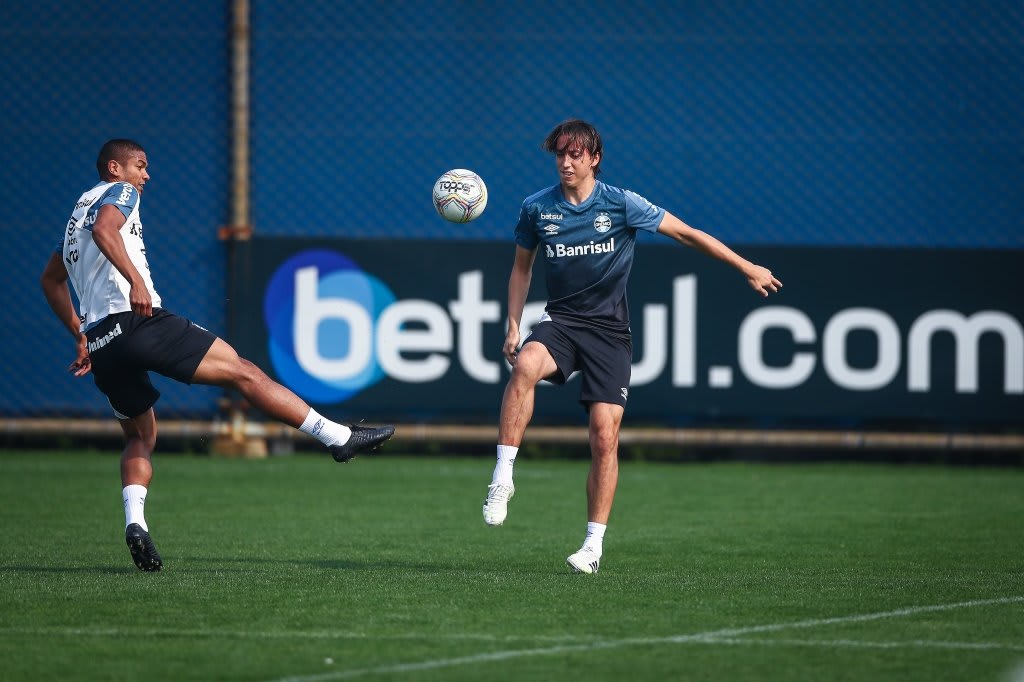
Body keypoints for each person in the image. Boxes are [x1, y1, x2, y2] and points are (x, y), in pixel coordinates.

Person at [40, 139, 395, 572]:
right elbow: (106, 230)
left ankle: (136, 523)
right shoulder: (120, 194)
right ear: (115, 168)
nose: (145, 176)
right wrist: (134, 280)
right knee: (244, 372)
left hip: (103, 342)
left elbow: (51, 280)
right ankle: (337, 438)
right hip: (138, 321)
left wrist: (80, 335)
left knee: (140, 437)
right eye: (140, 166)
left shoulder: (74, 219)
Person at [481, 119, 782, 574]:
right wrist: (513, 324)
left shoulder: (622, 204)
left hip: (608, 334)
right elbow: (521, 269)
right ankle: (502, 477)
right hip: (561, 322)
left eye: (575, 154)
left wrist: (746, 267)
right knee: (524, 363)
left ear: (594, 158)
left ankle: (592, 546)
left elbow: (687, 234)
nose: (565, 162)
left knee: (604, 435)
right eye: (560, 154)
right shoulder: (536, 209)